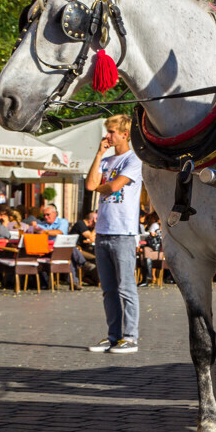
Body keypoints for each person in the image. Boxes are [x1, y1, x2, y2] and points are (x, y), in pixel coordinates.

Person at [85, 114, 144, 354]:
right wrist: (99, 154)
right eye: (107, 131)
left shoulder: (134, 160)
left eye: (111, 132)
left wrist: (101, 186)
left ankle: (130, 337)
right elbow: (90, 186)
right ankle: (113, 336)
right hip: (103, 232)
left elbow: (113, 187)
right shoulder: (106, 161)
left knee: (126, 287)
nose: (107, 136)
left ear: (124, 134)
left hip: (124, 231)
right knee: (108, 289)